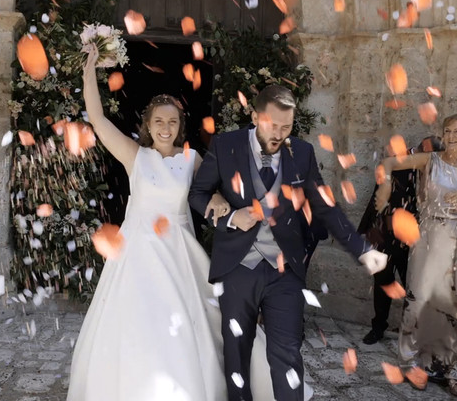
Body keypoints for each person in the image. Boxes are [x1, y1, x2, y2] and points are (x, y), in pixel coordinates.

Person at [68, 48, 298, 400]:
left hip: (177, 249)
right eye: (159, 121)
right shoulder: (135, 156)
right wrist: (89, 71)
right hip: (137, 252)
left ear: (180, 127)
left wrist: (228, 204)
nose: (165, 127)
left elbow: (213, 191)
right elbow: (97, 119)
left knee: (196, 321)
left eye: (172, 122)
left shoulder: (192, 159)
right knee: (135, 320)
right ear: (148, 125)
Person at [188, 84, 388, 401]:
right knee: (236, 354)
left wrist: (362, 250)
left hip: (284, 271)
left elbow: (325, 207)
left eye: (287, 126)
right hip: (237, 268)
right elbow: (197, 194)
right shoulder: (225, 145)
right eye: (273, 125)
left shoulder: (302, 153)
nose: (280, 134)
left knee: (288, 354)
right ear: (255, 116)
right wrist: (229, 217)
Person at [375, 113, 457, 397]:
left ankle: (455, 370)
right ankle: (411, 363)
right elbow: (389, 162)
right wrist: (387, 184)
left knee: (455, 310)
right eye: (447, 131)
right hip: (426, 240)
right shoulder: (431, 160)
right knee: (418, 303)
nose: (450, 136)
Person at [358, 136, 443, 345]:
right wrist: (368, 230)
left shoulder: (435, 171)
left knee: (413, 286)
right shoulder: (398, 163)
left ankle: (413, 330)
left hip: (415, 240)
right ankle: (378, 327)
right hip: (386, 236)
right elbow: (378, 198)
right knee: (382, 283)